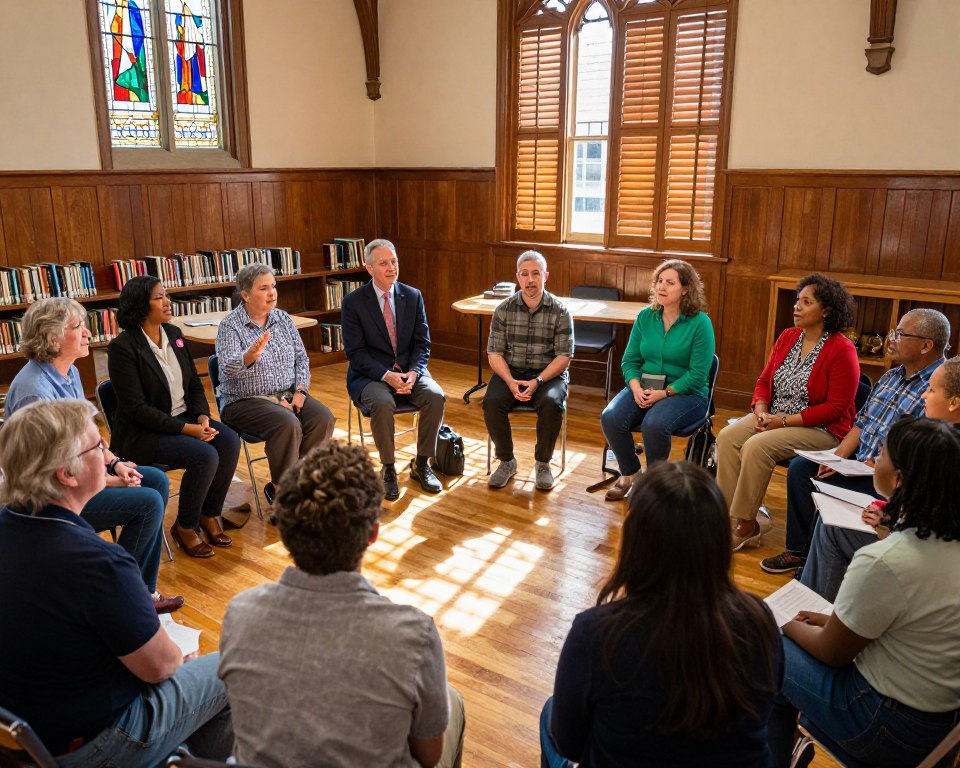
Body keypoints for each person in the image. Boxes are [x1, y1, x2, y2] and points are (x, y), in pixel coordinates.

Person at [0, 399, 233, 766]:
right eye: (99, 447)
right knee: (229, 670)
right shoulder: (97, 562)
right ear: (67, 473)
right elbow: (159, 667)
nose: (108, 453)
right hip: (89, 744)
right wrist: (178, 658)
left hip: (22, 738)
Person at [219, 440, 465, 768]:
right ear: (373, 533)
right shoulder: (413, 634)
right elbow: (429, 756)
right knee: (453, 702)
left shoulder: (240, 612)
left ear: (287, 531)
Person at [541, 461, 782, 767]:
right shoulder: (760, 620)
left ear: (635, 540)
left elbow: (569, 744)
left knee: (550, 712)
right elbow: (762, 716)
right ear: (718, 541)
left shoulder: (596, 633)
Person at [767, 417, 960, 768]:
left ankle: (776, 752)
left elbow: (832, 653)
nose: (874, 458)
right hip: (939, 730)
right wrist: (829, 619)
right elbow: (911, 624)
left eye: (882, 453)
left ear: (899, 479)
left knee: (765, 648)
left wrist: (780, 622)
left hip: (883, 725)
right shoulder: (945, 542)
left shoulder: (885, 559)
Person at [5, 297, 181, 612]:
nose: (88, 333)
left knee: (154, 480)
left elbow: (90, 437)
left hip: (78, 476)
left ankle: (141, 592)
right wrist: (109, 482)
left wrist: (114, 463)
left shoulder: (68, 372)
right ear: (52, 337)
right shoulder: (35, 391)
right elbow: (50, 473)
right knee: (147, 502)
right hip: (49, 499)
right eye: (78, 327)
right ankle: (126, 597)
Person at [760, 308, 949, 574]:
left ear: (925, 346)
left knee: (828, 502)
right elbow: (861, 424)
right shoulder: (891, 377)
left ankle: (823, 561)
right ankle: (798, 551)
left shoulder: (937, 390)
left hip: (888, 476)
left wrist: (880, 465)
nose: (891, 339)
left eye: (900, 334)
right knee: (802, 469)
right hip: (858, 464)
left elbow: (924, 452)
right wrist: (836, 457)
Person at [717, 274, 859, 551]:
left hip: (822, 430)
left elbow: (836, 408)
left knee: (757, 446)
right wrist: (760, 410)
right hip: (774, 416)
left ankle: (747, 525)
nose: (796, 306)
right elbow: (763, 382)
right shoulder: (788, 337)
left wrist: (780, 421)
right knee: (727, 436)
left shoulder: (842, 349)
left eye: (806, 302)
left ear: (826, 311)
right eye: (797, 300)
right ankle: (725, 518)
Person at [800, 355, 960, 602]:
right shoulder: (939, 438)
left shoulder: (941, 449)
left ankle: (815, 605)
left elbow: (933, 532)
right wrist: (888, 513)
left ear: (954, 402)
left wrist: (888, 524)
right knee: (828, 518)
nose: (924, 396)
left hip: (928, 563)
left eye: (931, 390)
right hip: (917, 543)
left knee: (833, 528)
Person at [108, 276, 242, 559]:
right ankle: (185, 526)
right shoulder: (123, 348)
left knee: (229, 440)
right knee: (204, 455)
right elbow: (136, 409)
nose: (168, 302)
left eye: (166, 295)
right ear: (140, 306)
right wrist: (187, 430)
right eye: (159, 297)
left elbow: (194, 383)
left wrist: (203, 417)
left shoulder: (174, 334)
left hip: (184, 418)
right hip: (143, 433)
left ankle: (209, 514)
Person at [216, 263, 336, 504]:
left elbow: (302, 359)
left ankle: (299, 483)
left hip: (288, 393)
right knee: (287, 423)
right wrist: (248, 357)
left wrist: (301, 390)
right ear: (246, 295)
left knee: (323, 418)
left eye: (273, 286)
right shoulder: (230, 326)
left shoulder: (282, 318)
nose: (272, 293)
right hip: (244, 400)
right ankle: (282, 492)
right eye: (264, 288)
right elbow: (226, 372)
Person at [600, 259, 715, 501]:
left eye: (670, 283)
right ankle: (631, 474)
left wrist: (665, 393)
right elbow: (629, 360)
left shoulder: (700, 323)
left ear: (685, 289)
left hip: (688, 393)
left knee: (654, 424)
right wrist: (634, 387)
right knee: (610, 417)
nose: (662, 287)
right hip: (645, 386)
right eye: (660, 281)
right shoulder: (646, 317)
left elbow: (697, 374)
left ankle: (656, 486)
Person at [341, 239, 445, 501]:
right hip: (371, 375)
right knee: (383, 402)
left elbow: (423, 343)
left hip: (409, 370)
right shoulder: (354, 302)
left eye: (394, 261)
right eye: (383, 263)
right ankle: (388, 469)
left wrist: (414, 372)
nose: (391, 268)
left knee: (435, 395)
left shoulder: (412, 296)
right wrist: (387, 375)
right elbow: (355, 353)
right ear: (369, 268)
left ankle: (421, 464)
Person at [484, 250, 574, 491]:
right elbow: (494, 354)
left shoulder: (561, 310)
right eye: (525, 274)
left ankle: (543, 463)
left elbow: (564, 357)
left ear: (546, 276)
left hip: (548, 374)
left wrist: (537, 381)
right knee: (491, 401)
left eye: (536, 274)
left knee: (552, 403)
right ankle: (506, 461)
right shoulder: (503, 309)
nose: (530, 279)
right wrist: (511, 381)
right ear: (517, 277)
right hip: (510, 371)